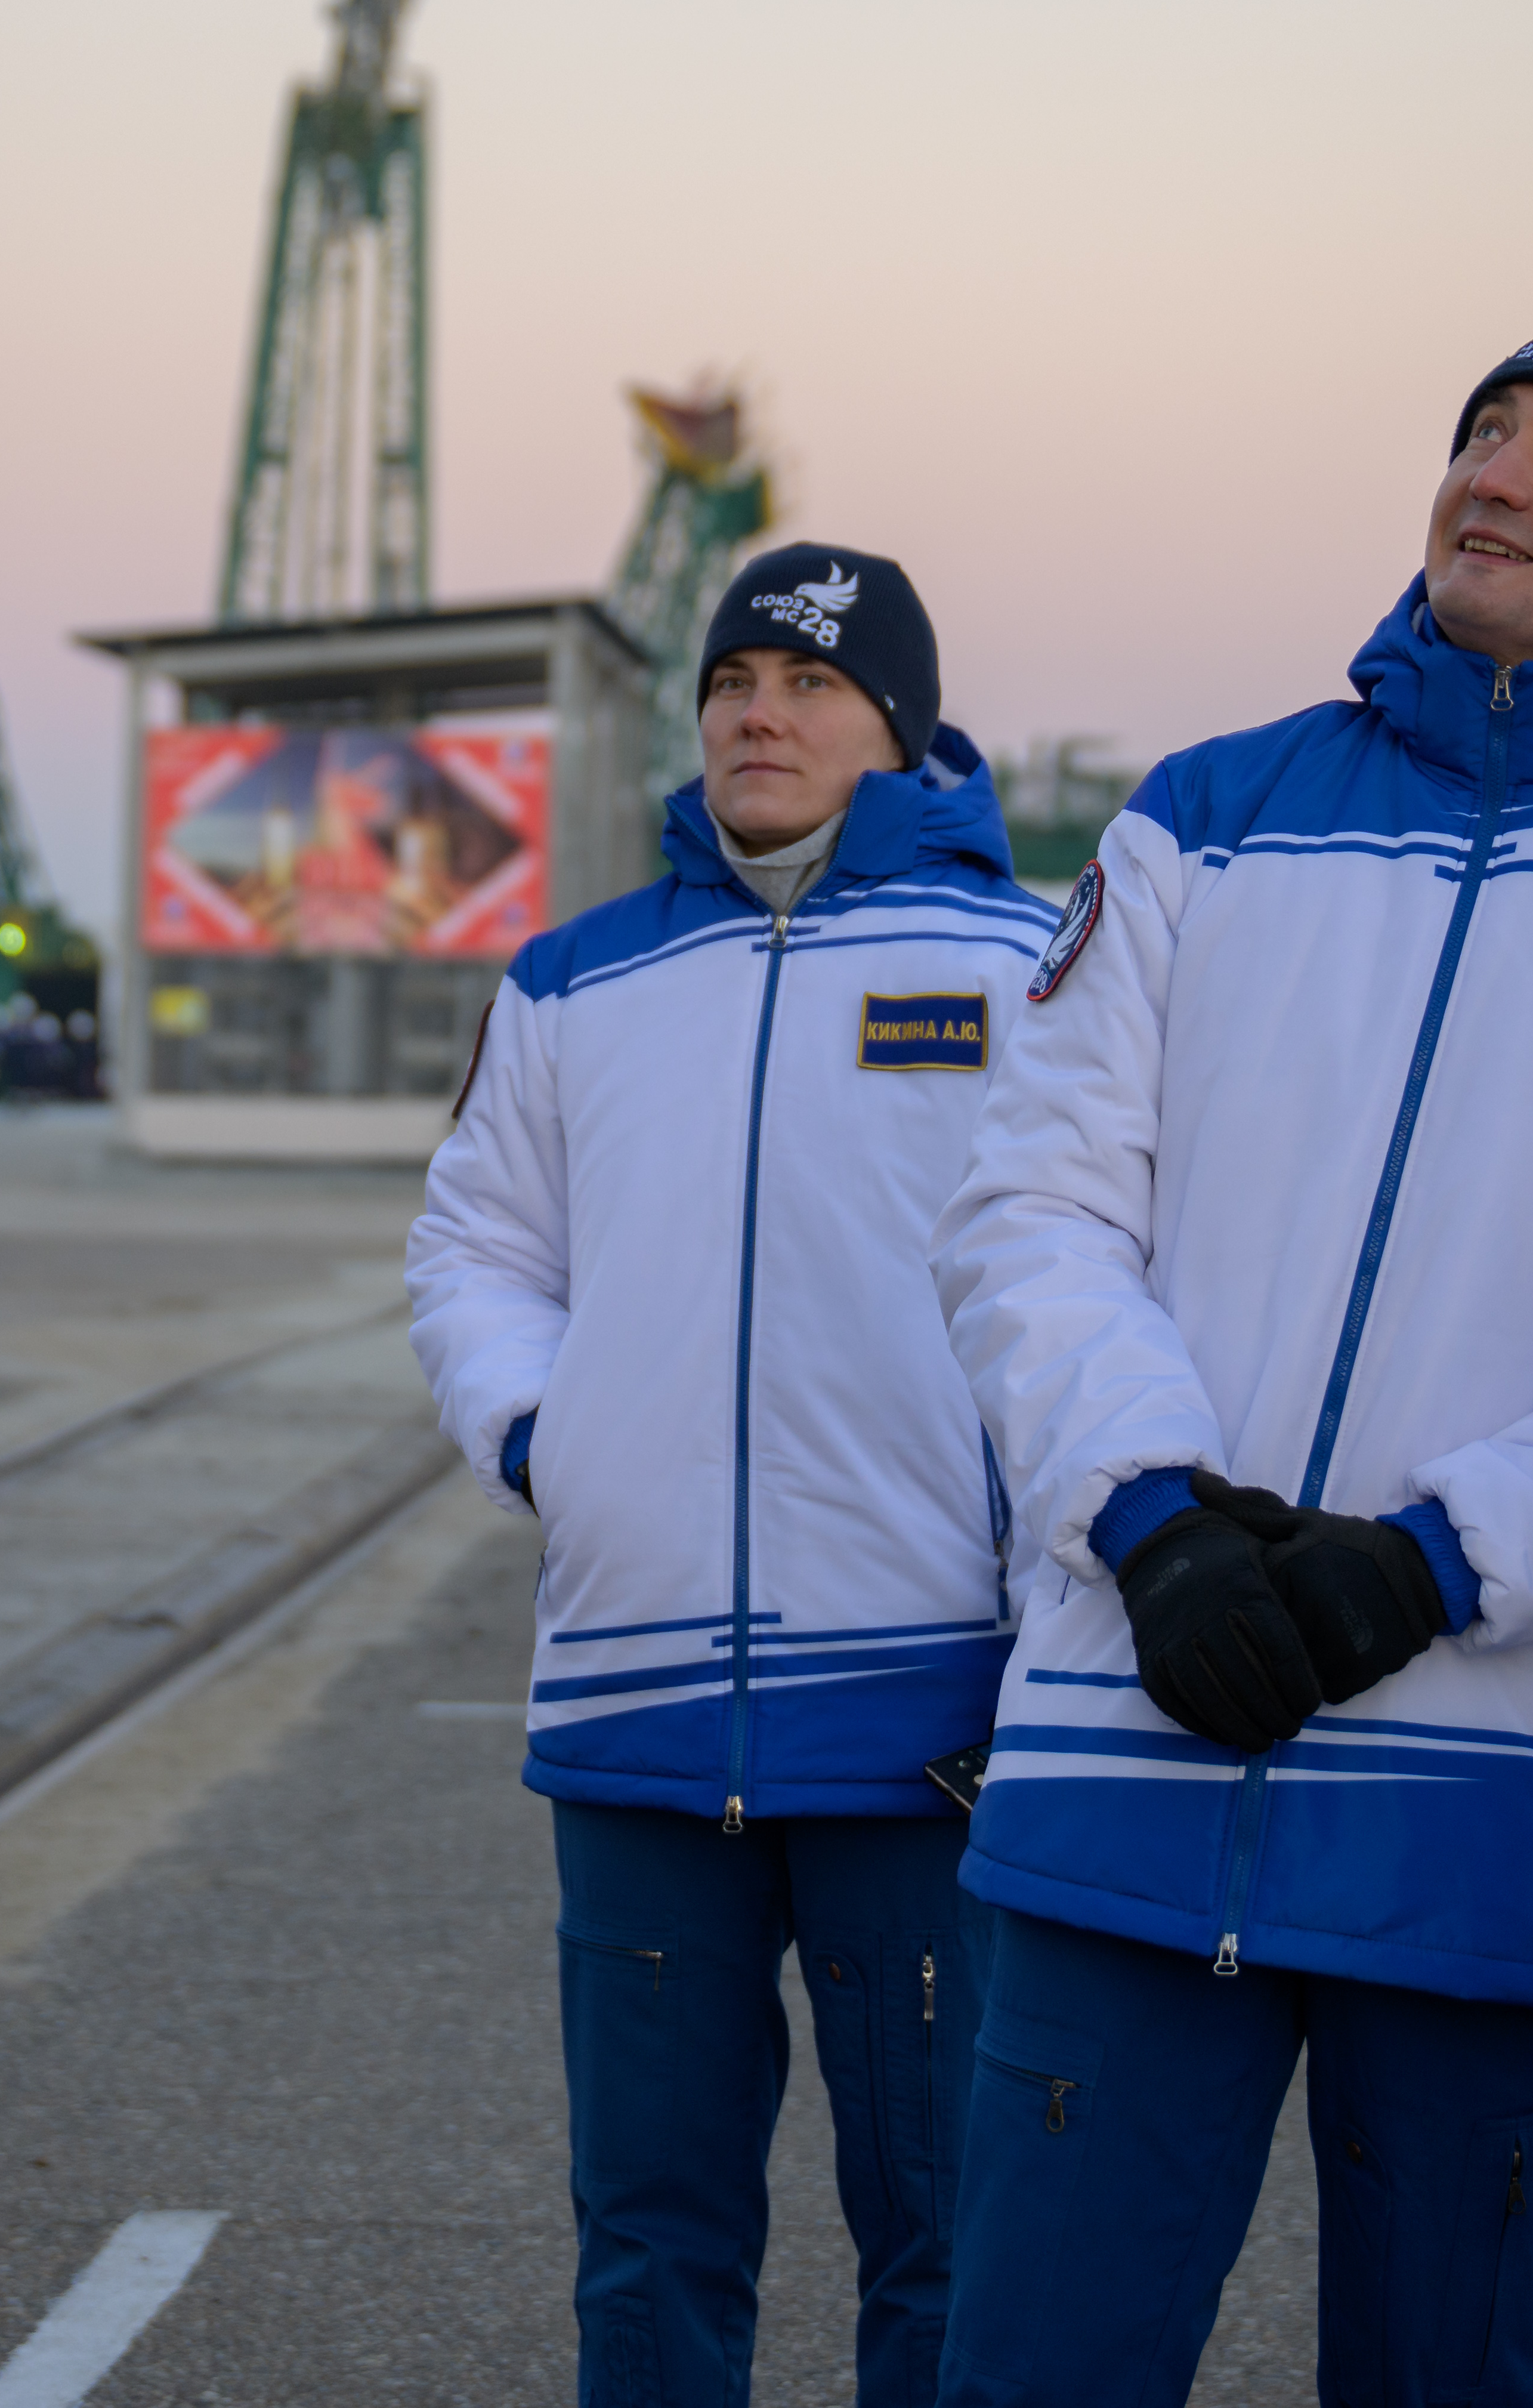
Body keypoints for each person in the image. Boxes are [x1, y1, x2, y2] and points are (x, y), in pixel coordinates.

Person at [930, 325, 1533, 2407]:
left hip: (1497, 1801)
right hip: (1132, 1739)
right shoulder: (1207, 822)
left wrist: (1437, 1563)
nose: (1497, 475)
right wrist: (1153, 1521)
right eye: (1482, 431)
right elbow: (1030, 1213)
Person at [407, 543, 1056, 2407]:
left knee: (945, 2227)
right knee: (649, 2228)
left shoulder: (1032, 966)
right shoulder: (578, 981)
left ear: (902, 728)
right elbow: (475, 1247)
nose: (759, 713)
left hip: (929, 1707)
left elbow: (1116, 1272)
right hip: (634, 1707)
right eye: (732, 682)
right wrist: (544, 1435)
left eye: (811, 683)